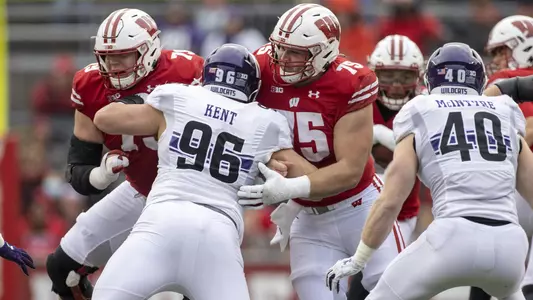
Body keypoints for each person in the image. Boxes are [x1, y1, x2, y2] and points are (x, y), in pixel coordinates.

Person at [88, 43, 312, 300]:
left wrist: (149, 105)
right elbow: (308, 175)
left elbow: (104, 118)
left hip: (162, 221)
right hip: (218, 234)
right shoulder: (265, 121)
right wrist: (287, 186)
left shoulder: (179, 98)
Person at [325, 42, 529, 300]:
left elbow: (390, 201)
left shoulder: (420, 109)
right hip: (510, 246)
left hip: (451, 238)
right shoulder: (505, 111)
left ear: (430, 79)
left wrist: (359, 259)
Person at [240, 3, 405, 299]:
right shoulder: (261, 66)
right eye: (279, 48)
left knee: (398, 290)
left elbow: (350, 171)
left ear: (324, 52)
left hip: (361, 207)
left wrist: (290, 186)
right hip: (309, 218)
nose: (283, 59)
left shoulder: (349, 81)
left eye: (296, 53)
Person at [45, 8, 203, 299]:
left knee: (197, 285)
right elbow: (78, 168)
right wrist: (100, 175)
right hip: (140, 190)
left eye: (122, 56)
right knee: (62, 268)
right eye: (106, 57)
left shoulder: (188, 72)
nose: (112, 65)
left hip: (192, 197)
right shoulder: (90, 84)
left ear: (149, 50)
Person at [346, 33, 425, 300]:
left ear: (418, 76)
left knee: (378, 286)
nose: (396, 85)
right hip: (351, 210)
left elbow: (424, 152)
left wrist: (378, 134)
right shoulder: (359, 99)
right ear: (374, 72)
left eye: (404, 77)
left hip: (399, 214)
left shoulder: (424, 106)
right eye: (388, 76)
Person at [475, 15, 533, 300]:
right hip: (514, 184)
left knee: (487, 269)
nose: (497, 59)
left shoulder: (506, 81)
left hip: (507, 191)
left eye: (501, 50)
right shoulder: (506, 81)